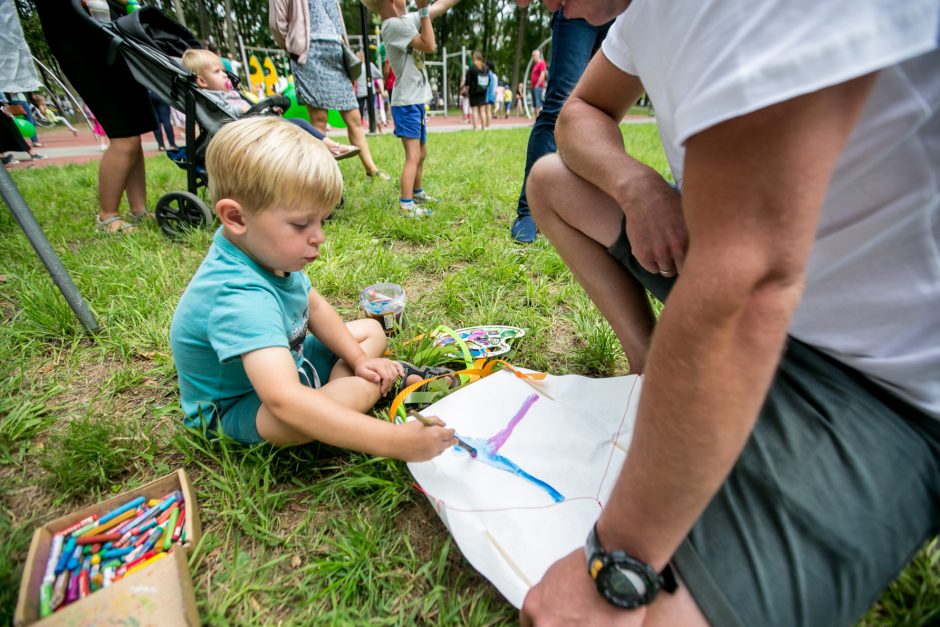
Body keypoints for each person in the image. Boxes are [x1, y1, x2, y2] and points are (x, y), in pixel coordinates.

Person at [521, 1, 940, 626]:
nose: (541, 4)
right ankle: (650, 360)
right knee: (552, 181)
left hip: (883, 379)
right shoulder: (642, 15)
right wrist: (637, 187)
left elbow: (749, 287)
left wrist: (615, 564)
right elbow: (580, 111)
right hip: (742, 271)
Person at [170, 117, 456, 458]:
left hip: (290, 361)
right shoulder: (238, 296)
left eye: (322, 220)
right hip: (241, 408)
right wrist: (394, 442)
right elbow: (283, 401)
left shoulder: (261, 250)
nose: (318, 236)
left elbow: (315, 307)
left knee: (369, 331)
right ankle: (361, 393)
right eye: (301, 223)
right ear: (236, 218)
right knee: (307, 414)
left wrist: (356, 359)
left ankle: (340, 392)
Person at [35, 0, 155, 233]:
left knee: (134, 134)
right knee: (124, 135)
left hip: (118, 38)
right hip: (88, 43)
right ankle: (107, 215)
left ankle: (139, 208)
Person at [510, 2, 611, 244]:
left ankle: (586, 206)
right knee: (557, 106)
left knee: (602, 112)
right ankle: (529, 210)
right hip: (578, 12)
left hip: (624, 17)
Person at [270, 0, 389, 180]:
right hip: (309, 52)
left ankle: (371, 169)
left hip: (337, 53)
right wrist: (295, 46)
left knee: (354, 116)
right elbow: (277, 23)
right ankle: (324, 175)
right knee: (319, 119)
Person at [365, 0, 462, 217]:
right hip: (406, 103)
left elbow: (438, 7)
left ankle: (416, 192)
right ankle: (406, 205)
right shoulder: (393, 26)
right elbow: (429, 45)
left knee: (421, 153)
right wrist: (423, 10)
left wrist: (426, 9)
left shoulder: (403, 20)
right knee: (413, 155)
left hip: (415, 101)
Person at [181, 49, 360, 161]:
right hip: (244, 135)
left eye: (223, 70)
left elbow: (249, 109)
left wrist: (268, 110)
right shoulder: (212, 99)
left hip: (255, 125)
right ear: (202, 81)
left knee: (298, 124)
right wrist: (251, 110)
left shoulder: (233, 93)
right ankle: (330, 149)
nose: (225, 75)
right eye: (217, 71)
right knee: (296, 126)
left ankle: (329, 148)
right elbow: (231, 113)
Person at [354, 49, 382, 127]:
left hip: (360, 91)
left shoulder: (356, 66)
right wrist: (372, 77)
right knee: (372, 109)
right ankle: (377, 125)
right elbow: (379, 74)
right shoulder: (369, 65)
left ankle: (359, 125)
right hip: (370, 90)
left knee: (360, 109)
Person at [462, 51, 489, 131]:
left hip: (473, 91)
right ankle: (483, 127)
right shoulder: (485, 68)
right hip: (483, 91)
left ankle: (475, 127)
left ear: (474, 58)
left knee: (475, 110)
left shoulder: (472, 68)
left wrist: (466, 90)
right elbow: (489, 80)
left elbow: (467, 81)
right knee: (482, 110)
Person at [528, 49, 547, 118]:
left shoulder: (542, 63)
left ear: (538, 55)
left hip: (538, 87)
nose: (533, 57)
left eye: (535, 55)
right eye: (533, 55)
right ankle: (536, 121)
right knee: (535, 104)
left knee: (538, 104)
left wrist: (537, 85)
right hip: (534, 87)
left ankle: (538, 121)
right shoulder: (535, 65)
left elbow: (542, 74)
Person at [484, 62, 497, 127]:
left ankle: (487, 124)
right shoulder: (494, 76)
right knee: (489, 110)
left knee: (486, 111)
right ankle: (488, 124)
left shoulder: (487, 74)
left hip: (487, 94)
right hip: (492, 94)